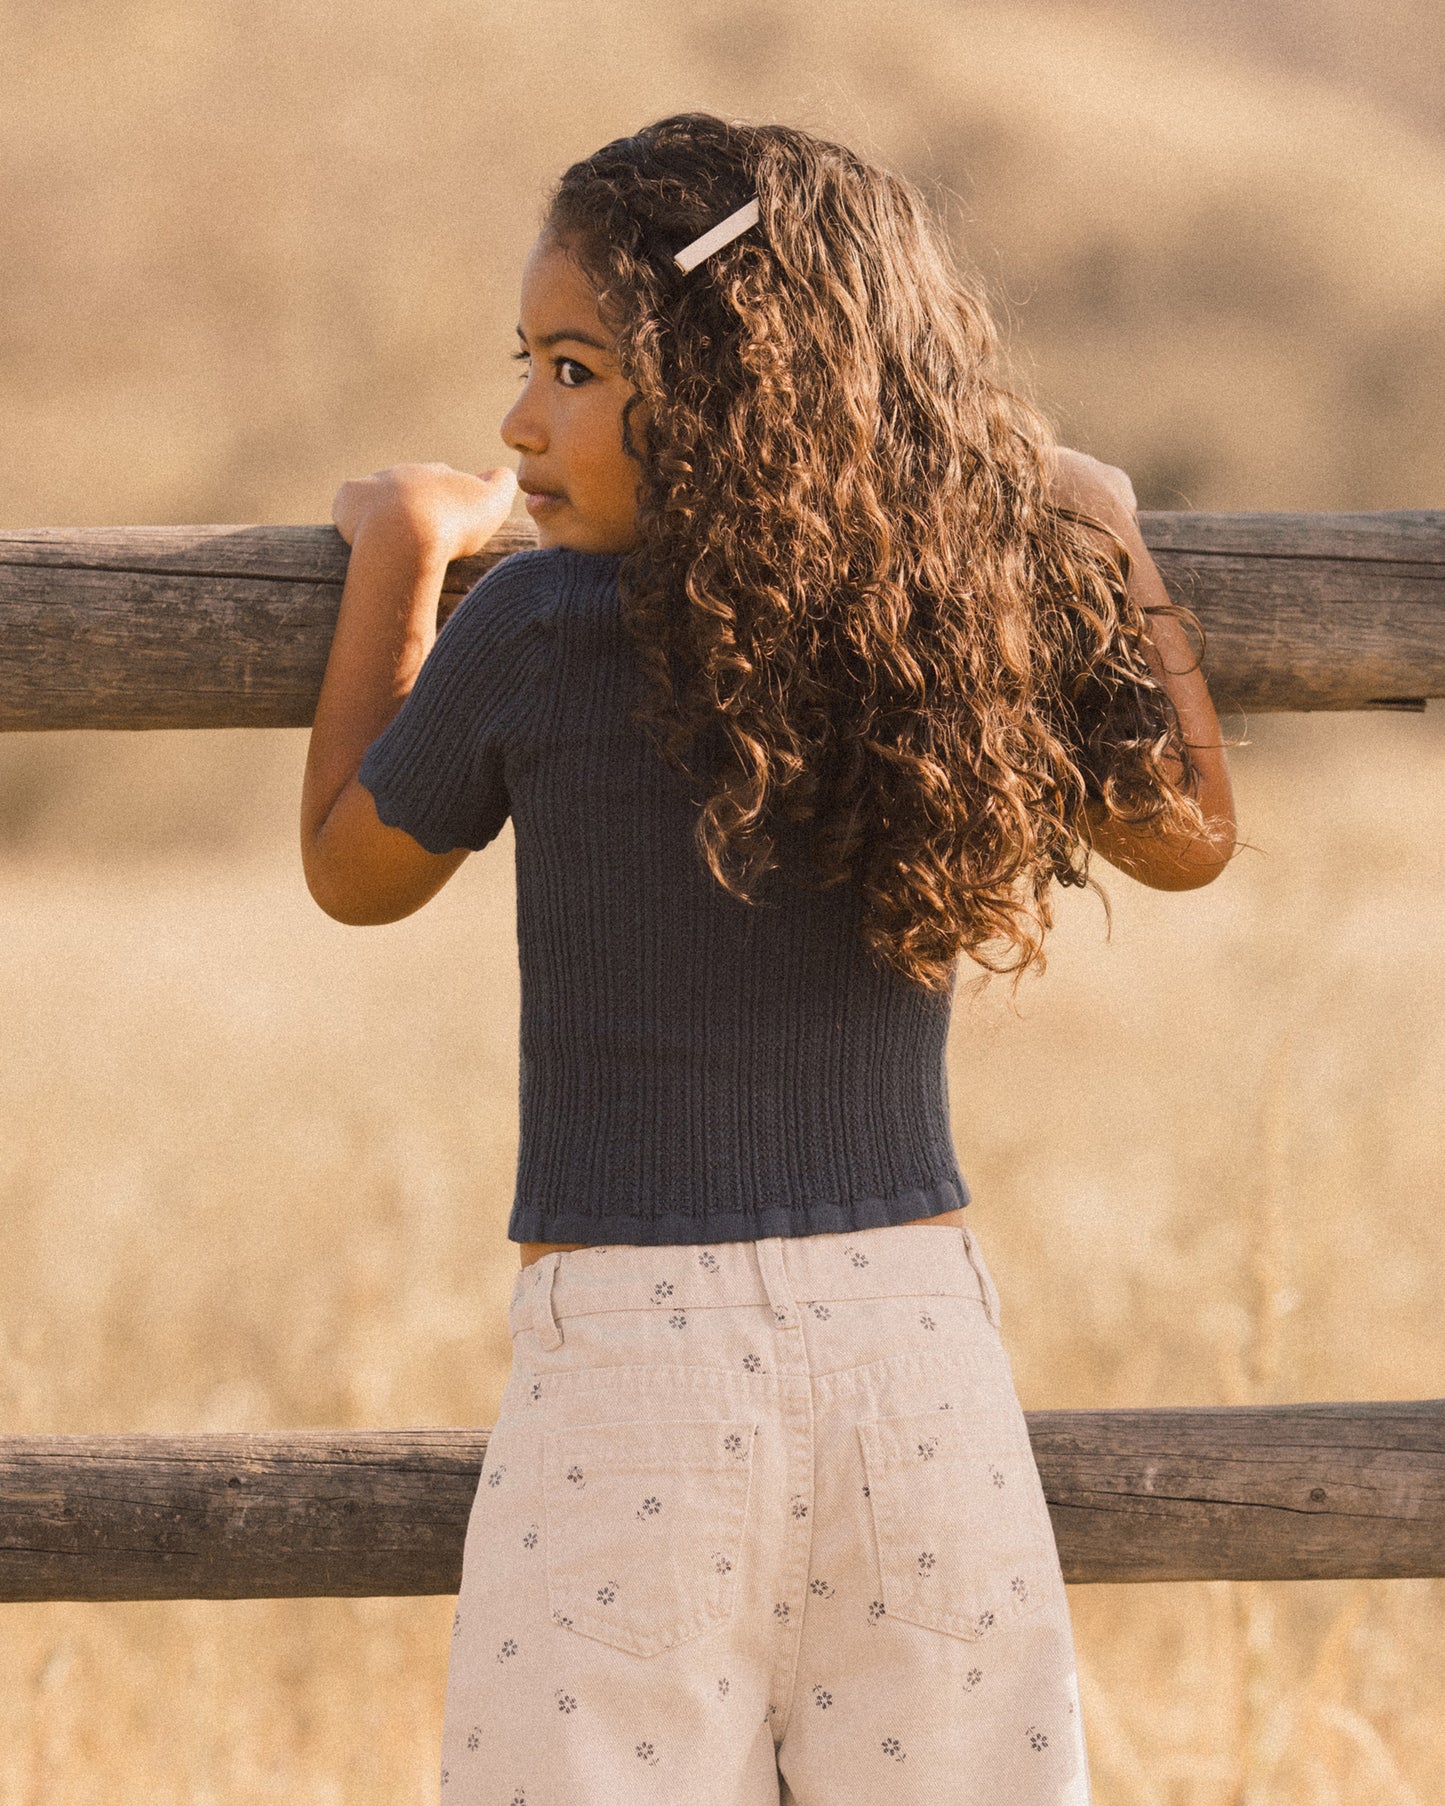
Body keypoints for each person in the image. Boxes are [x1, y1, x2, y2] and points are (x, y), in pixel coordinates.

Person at [301, 113, 1234, 1806]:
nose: (519, 420)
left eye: (572, 367)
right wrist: (1107, 529)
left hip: (627, 1375)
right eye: (526, 365)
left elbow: (352, 873)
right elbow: (1184, 833)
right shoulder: (946, 617)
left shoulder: (530, 630)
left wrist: (398, 546)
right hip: (912, 1355)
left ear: (730, 374)